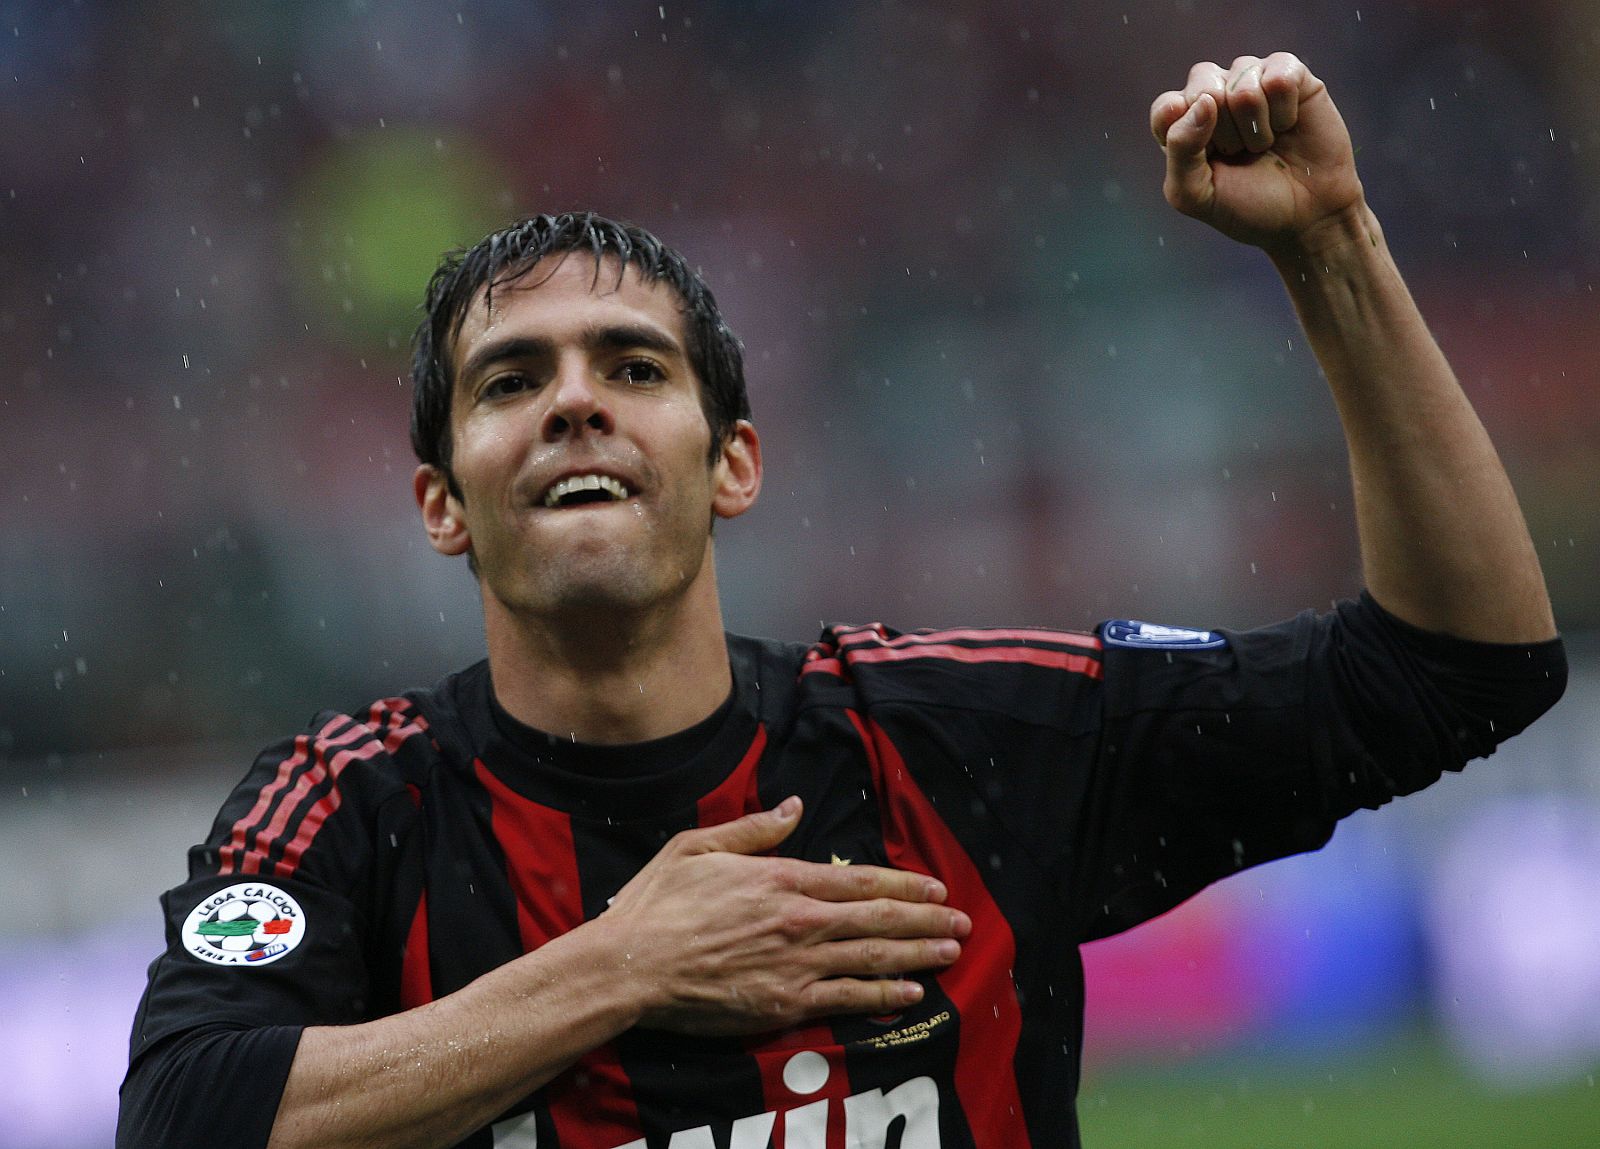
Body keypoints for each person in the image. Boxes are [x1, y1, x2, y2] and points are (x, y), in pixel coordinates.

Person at [117, 53, 1567, 1149]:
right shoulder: (355, 806)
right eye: (512, 382)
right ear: (442, 498)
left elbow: (1457, 667)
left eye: (632, 368)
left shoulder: (946, 735)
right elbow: (181, 1114)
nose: (574, 406)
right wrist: (622, 964)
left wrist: (1331, 247)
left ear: (732, 461)